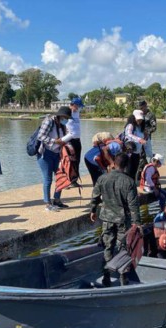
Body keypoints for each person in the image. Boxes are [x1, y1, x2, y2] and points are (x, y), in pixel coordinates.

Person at [90, 153, 141, 286]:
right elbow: (133, 205)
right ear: (127, 165)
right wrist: (137, 223)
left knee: (108, 247)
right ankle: (123, 277)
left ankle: (106, 276)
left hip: (106, 218)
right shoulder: (129, 181)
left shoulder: (102, 178)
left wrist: (93, 210)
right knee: (123, 249)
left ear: (114, 163)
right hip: (123, 220)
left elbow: (95, 196)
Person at [37, 106, 73, 211]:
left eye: (67, 118)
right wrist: (55, 141)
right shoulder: (49, 121)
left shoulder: (62, 125)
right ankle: (48, 204)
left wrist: (67, 145)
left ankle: (57, 200)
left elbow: (65, 138)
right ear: (60, 115)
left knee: (60, 176)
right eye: (65, 117)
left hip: (57, 153)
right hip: (45, 153)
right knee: (48, 179)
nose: (66, 120)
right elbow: (41, 136)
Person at [61, 97, 83, 186]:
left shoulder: (77, 113)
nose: (79, 108)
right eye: (78, 106)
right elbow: (61, 126)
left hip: (77, 140)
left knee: (77, 160)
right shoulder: (66, 113)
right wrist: (63, 141)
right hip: (69, 141)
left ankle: (74, 180)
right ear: (73, 105)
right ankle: (66, 180)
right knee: (69, 160)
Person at [122, 110, 147, 181]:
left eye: (141, 119)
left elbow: (142, 138)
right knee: (128, 170)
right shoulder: (130, 125)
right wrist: (139, 139)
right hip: (130, 152)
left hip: (137, 152)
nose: (140, 121)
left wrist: (145, 136)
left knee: (135, 170)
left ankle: (132, 184)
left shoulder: (140, 127)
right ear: (134, 118)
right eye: (138, 119)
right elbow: (128, 134)